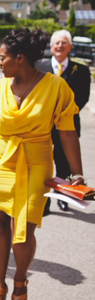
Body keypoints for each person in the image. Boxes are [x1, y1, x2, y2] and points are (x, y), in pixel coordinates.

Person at [0, 28, 84, 300]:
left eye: (3, 57)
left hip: (36, 162)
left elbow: (67, 133)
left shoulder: (56, 87)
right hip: (1, 162)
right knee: (0, 227)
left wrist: (77, 174)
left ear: (20, 58)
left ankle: (20, 279)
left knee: (24, 230)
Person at [36, 30, 91, 214]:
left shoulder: (81, 70)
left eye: (64, 43)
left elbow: (82, 97)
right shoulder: (39, 66)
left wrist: (62, 114)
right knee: (43, 162)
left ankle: (61, 195)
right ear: (51, 47)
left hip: (68, 125)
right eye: (57, 43)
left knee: (63, 162)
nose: (60, 46)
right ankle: (44, 201)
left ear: (70, 47)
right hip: (43, 125)